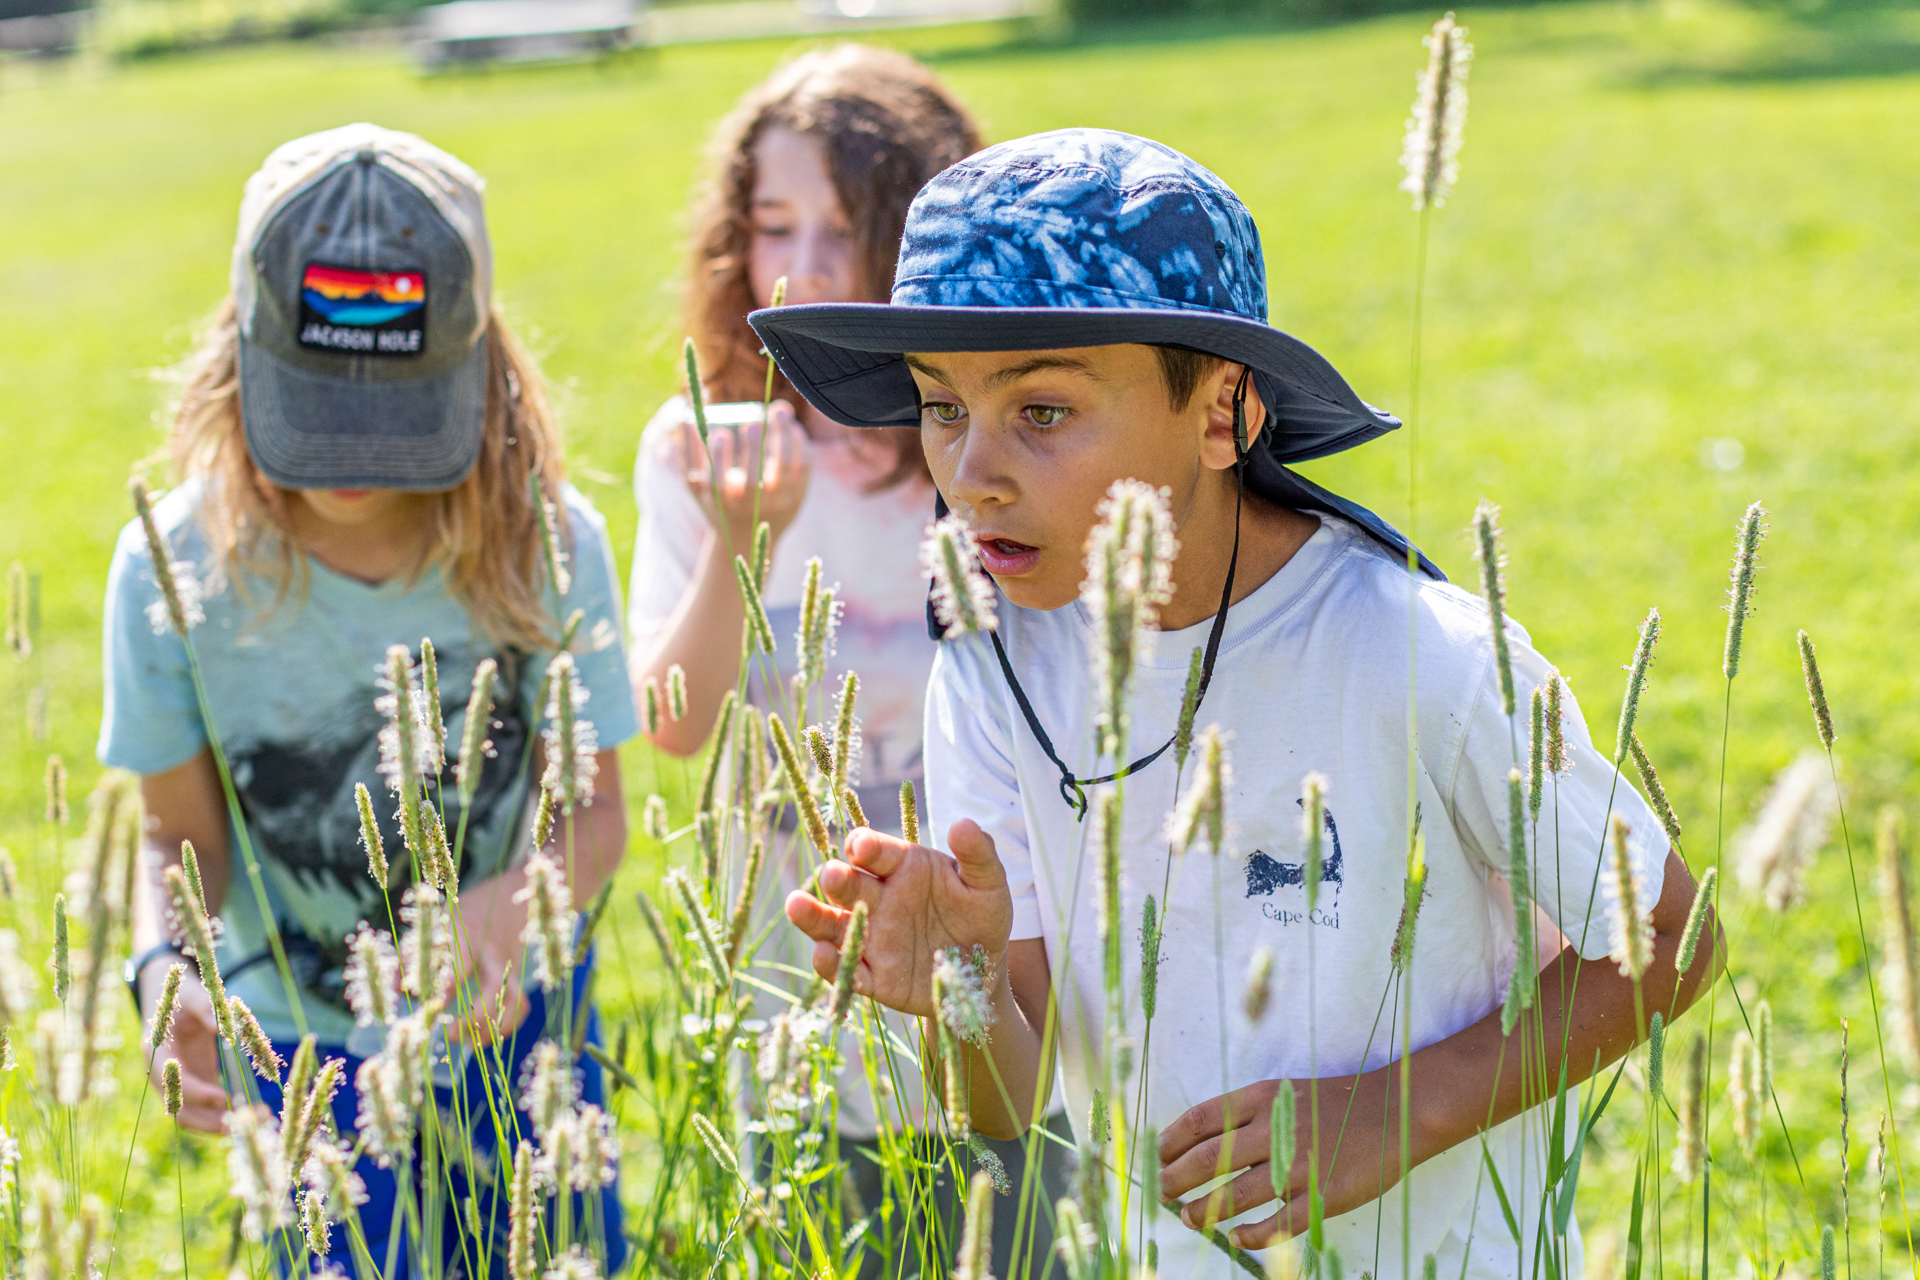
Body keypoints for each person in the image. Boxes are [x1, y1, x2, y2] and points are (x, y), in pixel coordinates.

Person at [765, 129, 1724, 1277]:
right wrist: (959, 995)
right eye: (940, 408)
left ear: (1223, 413)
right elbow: (1012, 1100)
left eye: (1045, 412)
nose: (972, 472)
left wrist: (1400, 1107)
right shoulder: (989, 659)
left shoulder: (1414, 649)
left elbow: (1671, 931)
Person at [102, 124, 637, 1275]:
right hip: (298, 1057)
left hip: (516, 1039)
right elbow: (174, 837)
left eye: (391, 413)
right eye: (312, 404)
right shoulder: (169, 566)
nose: (348, 457)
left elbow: (595, 808)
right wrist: (169, 969)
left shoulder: (547, 541)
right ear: (233, 350)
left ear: (479, 359)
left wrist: (522, 896)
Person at [626, 43, 1073, 1274]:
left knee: (1020, 1231)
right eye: (774, 225)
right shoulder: (700, 444)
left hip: (1002, 966)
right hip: (799, 978)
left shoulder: (986, 450)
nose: (807, 265)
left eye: (848, 227)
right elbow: (670, 716)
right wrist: (738, 542)